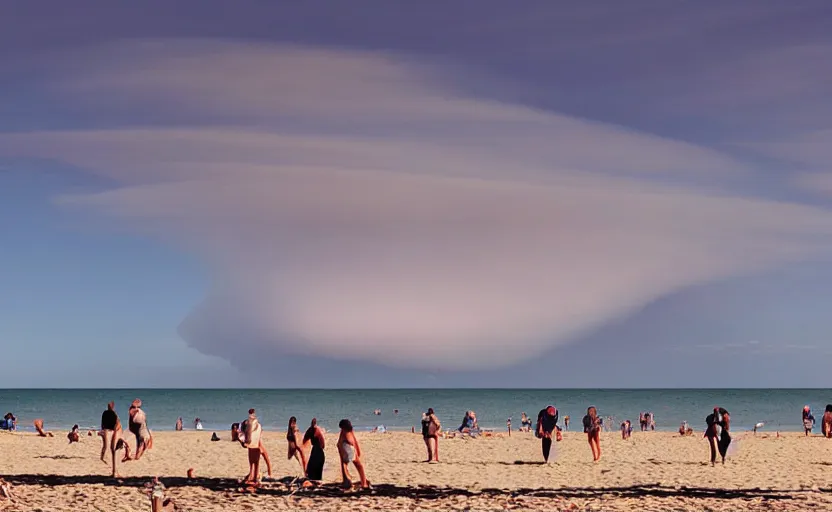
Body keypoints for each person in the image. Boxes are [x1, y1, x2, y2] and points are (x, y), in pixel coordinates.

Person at [239, 409, 273, 482]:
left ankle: (256, 475)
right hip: (253, 442)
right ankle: (252, 475)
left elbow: (266, 458)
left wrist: (270, 472)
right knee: (253, 462)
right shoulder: (253, 428)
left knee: (256, 461)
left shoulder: (258, 443)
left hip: (255, 443)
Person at [99, 401, 131, 477]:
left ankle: (114, 471)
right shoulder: (113, 415)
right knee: (115, 451)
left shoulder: (108, 414)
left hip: (109, 431)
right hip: (113, 432)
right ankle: (115, 472)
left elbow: (103, 424)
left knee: (111, 450)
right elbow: (117, 426)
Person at [338, 419, 369, 489]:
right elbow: (353, 441)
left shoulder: (345, 431)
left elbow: (352, 441)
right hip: (347, 447)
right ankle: (363, 483)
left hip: (347, 447)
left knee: (347, 464)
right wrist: (357, 449)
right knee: (358, 465)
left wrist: (357, 449)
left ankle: (348, 481)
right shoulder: (345, 431)